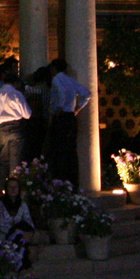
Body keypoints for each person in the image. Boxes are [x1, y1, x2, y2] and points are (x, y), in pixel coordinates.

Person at [46, 58, 88, 186]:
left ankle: (60, 179)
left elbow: (61, 94)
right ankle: (72, 181)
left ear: (54, 68)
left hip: (61, 117)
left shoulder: (57, 79)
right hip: (71, 117)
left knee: (58, 150)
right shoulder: (71, 80)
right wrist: (78, 108)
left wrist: (59, 107)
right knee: (70, 150)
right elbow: (87, 93)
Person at [0, 65, 32, 188]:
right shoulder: (17, 94)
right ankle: (14, 191)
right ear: (16, 82)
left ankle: (0, 190)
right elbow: (28, 114)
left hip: (1, 128)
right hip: (16, 127)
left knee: (3, 160)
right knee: (15, 160)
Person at [0, 176, 36, 272]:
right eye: (10, 187)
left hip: (20, 234)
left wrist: (27, 232)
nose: (13, 190)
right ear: (6, 189)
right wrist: (14, 231)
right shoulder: (0, 204)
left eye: (15, 187)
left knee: (21, 238)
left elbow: (28, 222)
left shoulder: (22, 204)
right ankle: (26, 267)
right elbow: (0, 225)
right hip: (4, 235)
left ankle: (22, 268)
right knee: (18, 238)